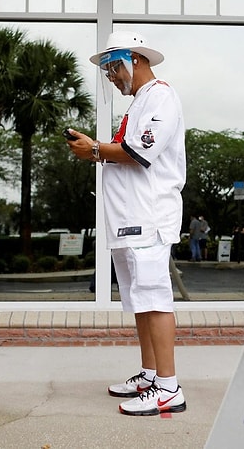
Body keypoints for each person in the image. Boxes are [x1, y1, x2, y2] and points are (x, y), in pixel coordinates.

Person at [66, 31, 187, 416]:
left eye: (112, 69)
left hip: (148, 216)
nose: (111, 78)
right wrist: (96, 148)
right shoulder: (139, 104)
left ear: (132, 60)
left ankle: (169, 388)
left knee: (154, 296)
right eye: (106, 72)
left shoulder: (161, 96)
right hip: (128, 218)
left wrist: (95, 149)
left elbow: (140, 151)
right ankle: (151, 375)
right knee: (139, 300)